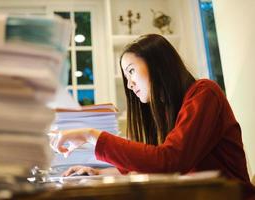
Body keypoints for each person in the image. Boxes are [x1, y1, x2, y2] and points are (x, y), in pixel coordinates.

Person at [50, 34, 255, 199]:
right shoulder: (168, 111)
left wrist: (91, 135)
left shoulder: (205, 93)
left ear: (158, 65)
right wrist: (99, 173)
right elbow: (155, 164)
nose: (129, 84)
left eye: (131, 71)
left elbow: (169, 161)